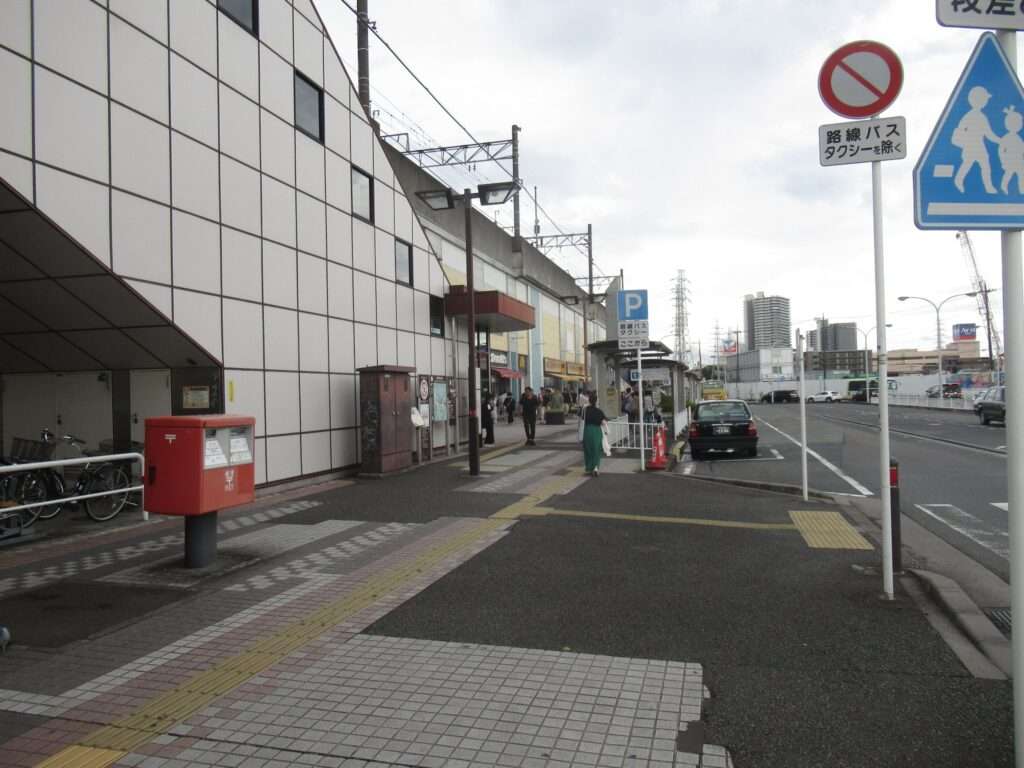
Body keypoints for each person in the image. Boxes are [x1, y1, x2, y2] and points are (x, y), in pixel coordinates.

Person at [953, 85, 999, 194]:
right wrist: (1000, 141)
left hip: (978, 146)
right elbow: (988, 134)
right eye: (984, 99)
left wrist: (999, 140)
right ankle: (959, 180)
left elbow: (988, 134)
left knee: (982, 165)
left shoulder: (977, 116)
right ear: (979, 100)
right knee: (974, 164)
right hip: (972, 146)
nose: (986, 102)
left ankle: (988, 186)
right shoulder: (973, 116)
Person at [582, 392, 608, 476]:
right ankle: (596, 468)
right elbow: (604, 422)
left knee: (588, 449)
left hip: (587, 431)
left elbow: (581, 419)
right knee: (596, 449)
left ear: (589, 400)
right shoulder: (599, 411)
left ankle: (589, 468)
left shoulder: (585, 410)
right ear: (596, 401)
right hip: (596, 431)